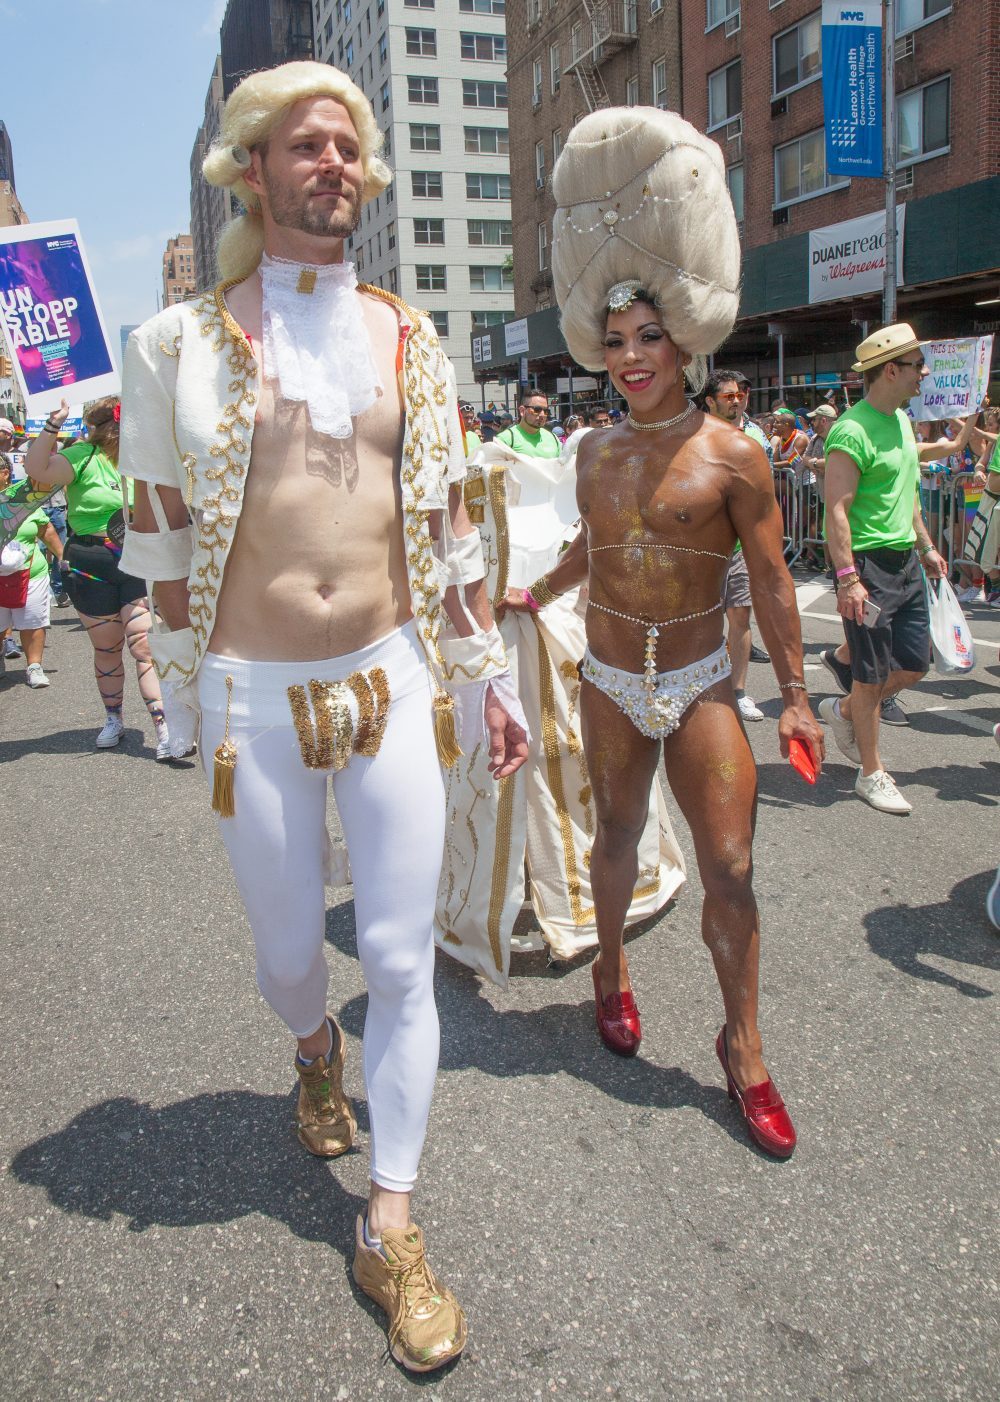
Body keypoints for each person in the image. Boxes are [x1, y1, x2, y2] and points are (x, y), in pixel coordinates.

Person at [116, 61, 527, 1372]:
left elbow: (449, 521)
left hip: (394, 680)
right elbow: (157, 536)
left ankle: (388, 1222)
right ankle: (310, 1047)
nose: (334, 163)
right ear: (252, 169)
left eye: (349, 146)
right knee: (294, 951)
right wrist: (181, 692)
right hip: (253, 698)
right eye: (307, 144)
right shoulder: (174, 347)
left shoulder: (410, 336)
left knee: (400, 962)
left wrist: (486, 671)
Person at [539, 106, 824, 1158]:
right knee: (614, 836)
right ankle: (610, 969)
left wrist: (795, 696)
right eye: (614, 342)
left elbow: (773, 580)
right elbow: (598, 547)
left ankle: (742, 1045)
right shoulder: (592, 453)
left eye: (648, 338)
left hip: (701, 678)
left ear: (684, 342)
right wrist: (535, 589)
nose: (629, 357)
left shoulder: (735, 456)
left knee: (731, 866)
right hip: (610, 678)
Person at [820, 324, 977, 814]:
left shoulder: (903, 421)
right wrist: (848, 579)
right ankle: (871, 773)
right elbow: (837, 510)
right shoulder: (852, 429)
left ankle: (843, 710)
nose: (923, 374)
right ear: (891, 370)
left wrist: (926, 545)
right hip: (867, 567)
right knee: (870, 675)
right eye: (917, 366)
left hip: (906, 561)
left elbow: (905, 493)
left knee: (914, 663)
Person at [23, 397, 171, 755]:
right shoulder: (82, 456)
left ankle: (165, 726)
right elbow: (37, 468)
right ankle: (113, 718)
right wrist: (54, 423)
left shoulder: (143, 455)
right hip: (91, 561)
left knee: (144, 645)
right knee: (107, 648)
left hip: (136, 557)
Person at [701, 369, 773, 723]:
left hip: (741, 546)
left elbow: (764, 491)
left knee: (741, 616)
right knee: (705, 620)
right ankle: (705, 686)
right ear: (710, 401)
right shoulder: (695, 436)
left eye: (741, 394)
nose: (737, 401)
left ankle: (739, 691)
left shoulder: (755, 436)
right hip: (704, 546)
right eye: (729, 396)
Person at [0, 455, 62, 686]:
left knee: (32, 622)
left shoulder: (22, 499)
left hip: (30, 575)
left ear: (5, 473)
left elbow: (46, 531)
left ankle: (34, 666)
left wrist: (63, 557)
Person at [494, 390, 561, 458]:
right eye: (537, 410)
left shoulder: (553, 438)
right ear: (522, 411)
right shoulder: (505, 440)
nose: (542, 414)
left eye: (546, 411)